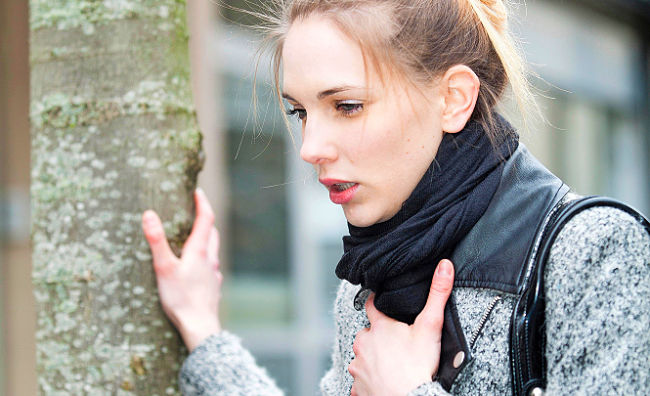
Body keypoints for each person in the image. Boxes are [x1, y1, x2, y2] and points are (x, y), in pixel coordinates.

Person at [141, 0, 650, 395]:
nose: (310, 148)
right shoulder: (374, 273)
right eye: (299, 112)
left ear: (453, 99)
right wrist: (202, 328)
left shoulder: (597, 254)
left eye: (347, 105)